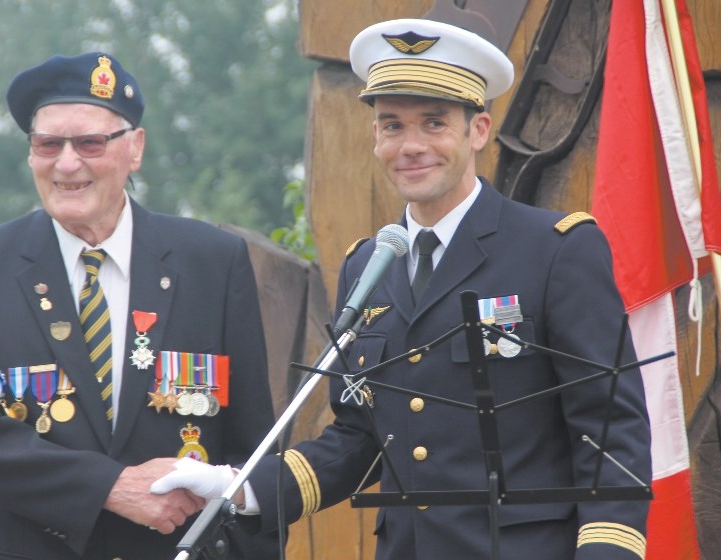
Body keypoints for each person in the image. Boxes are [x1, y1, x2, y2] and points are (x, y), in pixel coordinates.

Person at [151, 18, 653, 560]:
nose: (410, 146)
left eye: (434, 123)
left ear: (477, 130)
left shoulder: (554, 251)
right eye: (392, 126)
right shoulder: (369, 267)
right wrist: (239, 486)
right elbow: (360, 440)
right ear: (374, 137)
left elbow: (609, 431)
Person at [0, 52, 279, 560]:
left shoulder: (212, 263)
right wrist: (111, 487)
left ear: (134, 148)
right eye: (48, 143)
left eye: (90, 142)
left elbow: (252, 448)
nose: (67, 163)